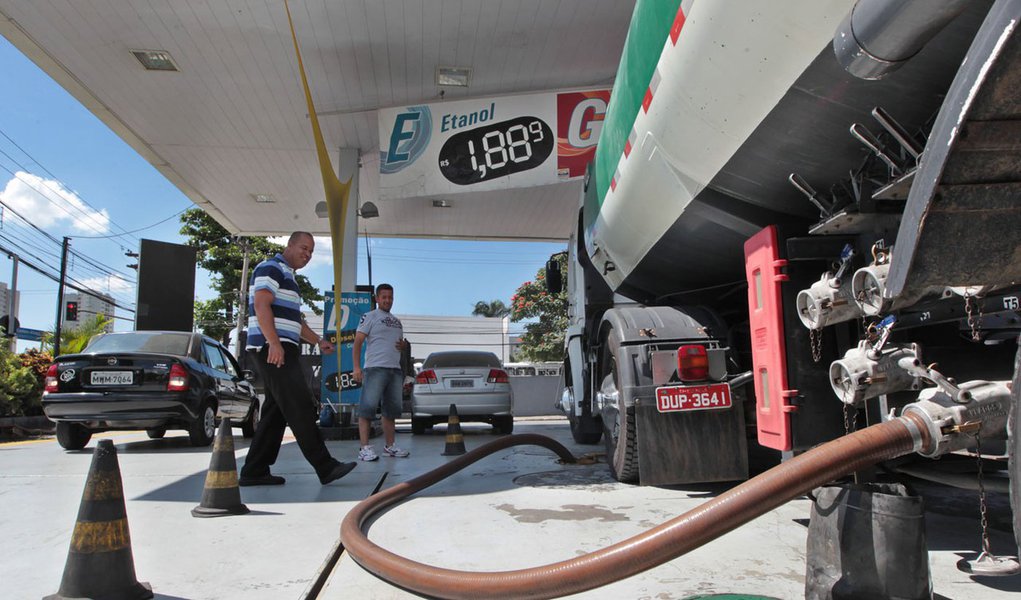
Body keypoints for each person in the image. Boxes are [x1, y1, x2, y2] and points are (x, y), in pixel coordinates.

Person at [239, 232, 356, 486]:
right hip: (271, 347)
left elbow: (295, 321)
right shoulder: (271, 267)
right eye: (304, 247)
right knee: (299, 404)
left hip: (281, 346)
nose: (308, 254)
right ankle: (325, 466)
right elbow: (261, 305)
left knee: (276, 411)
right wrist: (274, 343)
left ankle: (254, 470)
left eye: (312, 251)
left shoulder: (290, 278)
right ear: (289, 245)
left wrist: (317, 341)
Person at [351, 283, 411, 461]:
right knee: (367, 408)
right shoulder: (369, 316)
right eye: (384, 297)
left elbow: (399, 345)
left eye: (390, 297)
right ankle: (364, 448)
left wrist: (403, 346)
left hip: (394, 370)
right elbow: (358, 343)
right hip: (375, 368)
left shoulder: (396, 321)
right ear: (377, 298)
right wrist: (356, 367)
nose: (387, 300)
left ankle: (390, 446)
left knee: (391, 411)